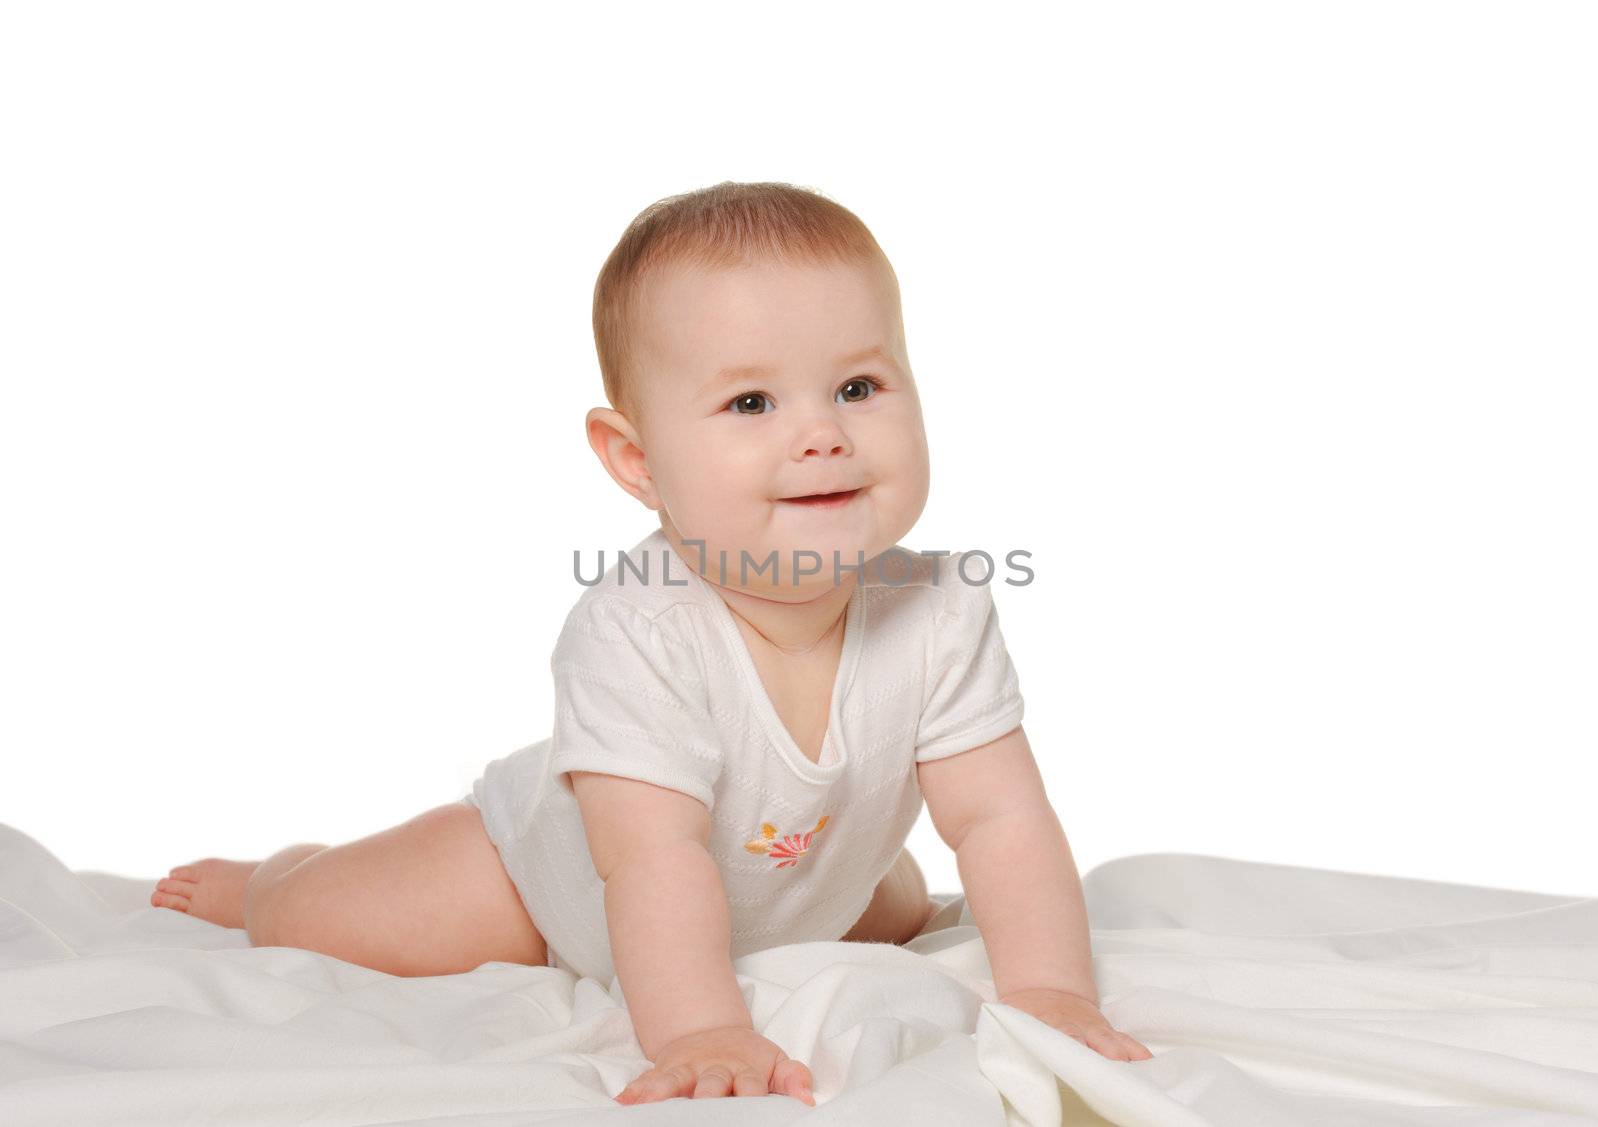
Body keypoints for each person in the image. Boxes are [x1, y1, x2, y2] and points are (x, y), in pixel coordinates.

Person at [151, 180, 1153, 1106]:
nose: (822, 434)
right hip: (557, 883)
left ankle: (833, 886)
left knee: (888, 893)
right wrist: (703, 1027)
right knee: (336, 921)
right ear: (636, 460)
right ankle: (274, 875)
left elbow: (998, 819)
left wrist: (1052, 989)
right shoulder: (638, 627)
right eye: (752, 402)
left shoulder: (940, 608)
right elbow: (652, 860)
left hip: (805, 864)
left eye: (857, 386)